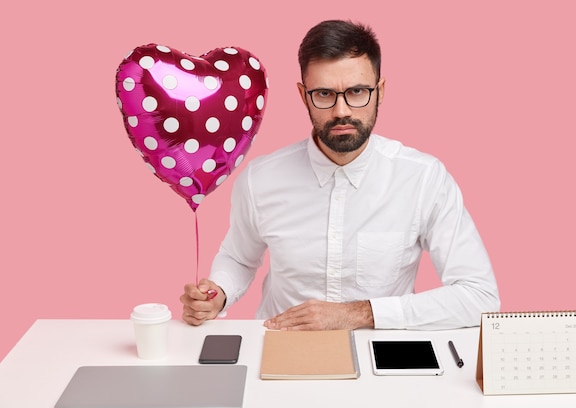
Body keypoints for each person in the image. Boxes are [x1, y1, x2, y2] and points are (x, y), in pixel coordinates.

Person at [180, 19, 500, 331]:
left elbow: (479, 296)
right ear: (304, 95)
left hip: (380, 356)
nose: (342, 111)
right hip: (281, 346)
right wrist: (217, 294)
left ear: (381, 91)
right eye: (324, 94)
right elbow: (239, 258)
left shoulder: (424, 179)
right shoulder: (259, 179)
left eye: (357, 91)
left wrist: (359, 313)